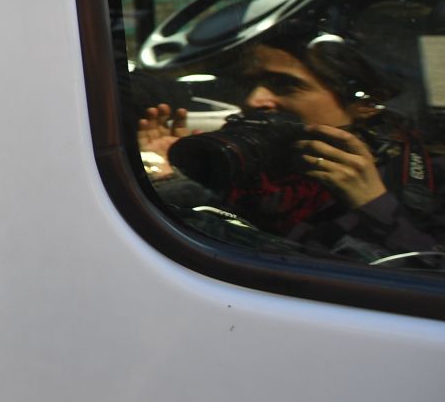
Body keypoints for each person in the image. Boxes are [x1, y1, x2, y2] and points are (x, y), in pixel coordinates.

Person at [140, 28, 441, 264]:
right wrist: (169, 175)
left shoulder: (424, 183)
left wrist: (374, 204)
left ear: (366, 103)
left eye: (286, 85)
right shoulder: (244, 165)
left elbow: (426, 281)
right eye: (249, 85)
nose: (254, 100)